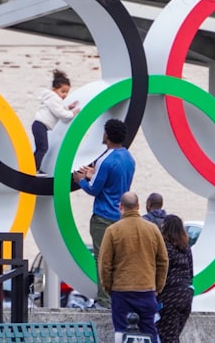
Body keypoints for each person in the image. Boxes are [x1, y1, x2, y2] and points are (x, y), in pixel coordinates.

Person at [72, 118, 135, 308]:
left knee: (102, 260)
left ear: (107, 135)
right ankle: (118, 298)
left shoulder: (104, 159)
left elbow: (93, 189)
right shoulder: (129, 158)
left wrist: (80, 180)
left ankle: (104, 300)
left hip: (103, 217)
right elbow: (113, 181)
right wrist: (94, 174)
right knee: (120, 260)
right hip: (121, 216)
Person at [99, 192, 168, 343]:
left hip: (121, 290)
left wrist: (109, 287)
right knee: (149, 329)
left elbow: (105, 264)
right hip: (146, 289)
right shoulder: (153, 230)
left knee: (121, 331)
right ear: (138, 206)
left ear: (120, 207)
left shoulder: (112, 230)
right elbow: (163, 261)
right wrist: (158, 287)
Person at [32, 69, 79, 171]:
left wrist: (68, 107)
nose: (65, 95)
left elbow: (59, 107)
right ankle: (34, 168)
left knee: (40, 148)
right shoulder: (53, 98)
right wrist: (72, 113)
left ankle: (31, 166)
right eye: (62, 91)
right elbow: (60, 113)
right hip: (40, 125)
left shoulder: (53, 99)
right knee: (43, 148)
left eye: (67, 92)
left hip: (38, 125)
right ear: (54, 89)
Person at [156, 214, 193, 343]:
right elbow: (190, 273)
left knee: (167, 337)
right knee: (174, 335)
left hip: (170, 295)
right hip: (186, 295)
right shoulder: (186, 248)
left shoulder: (165, 248)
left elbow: (160, 271)